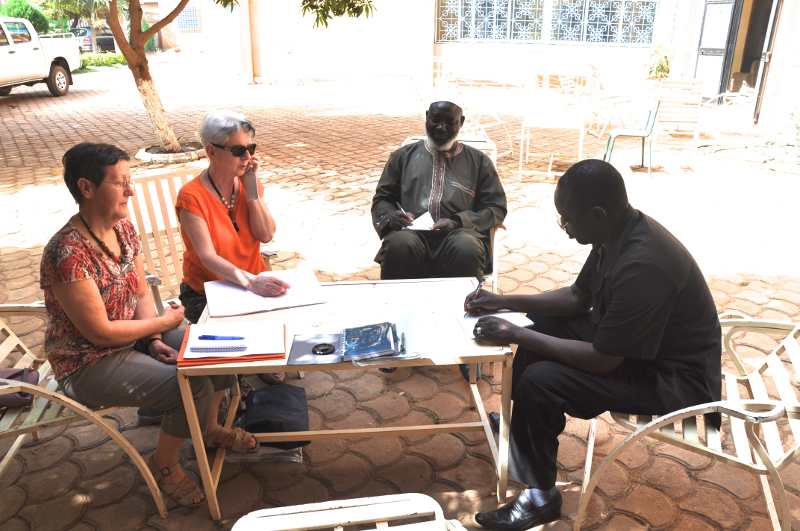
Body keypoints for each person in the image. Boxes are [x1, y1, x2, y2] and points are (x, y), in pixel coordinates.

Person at [465, 159, 721, 530]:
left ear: (598, 214)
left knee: (541, 378)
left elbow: (602, 362)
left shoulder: (643, 263)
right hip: (635, 349)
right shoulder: (615, 231)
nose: (564, 228)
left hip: (671, 379)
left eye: (567, 219)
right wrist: (505, 301)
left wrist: (516, 333)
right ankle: (521, 431)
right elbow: (575, 298)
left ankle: (541, 497)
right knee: (541, 327)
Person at [40, 143, 260, 509]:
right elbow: (99, 333)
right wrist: (162, 323)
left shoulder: (123, 229)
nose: (130, 190)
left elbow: (142, 292)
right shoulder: (66, 253)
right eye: (121, 182)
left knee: (220, 352)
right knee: (188, 388)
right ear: (87, 187)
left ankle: (208, 430)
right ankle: (165, 462)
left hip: (133, 337)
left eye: (131, 180)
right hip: (87, 361)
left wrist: (155, 337)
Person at [372, 98, 507, 379]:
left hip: (457, 235)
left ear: (461, 124)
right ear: (426, 118)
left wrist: (459, 221)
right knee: (397, 245)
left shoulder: (479, 162)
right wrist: (391, 218)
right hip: (414, 236)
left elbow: (496, 208)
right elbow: (382, 200)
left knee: (467, 248)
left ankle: (466, 344)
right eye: (436, 120)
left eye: (450, 122)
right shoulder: (403, 156)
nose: (441, 127)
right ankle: (396, 340)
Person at [176, 110, 287, 386]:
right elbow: (207, 257)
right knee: (229, 365)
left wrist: (251, 190)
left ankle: (254, 360)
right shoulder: (192, 197)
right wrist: (251, 283)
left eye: (251, 148)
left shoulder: (249, 183)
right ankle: (234, 375)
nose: (247, 157)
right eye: (238, 150)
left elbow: (266, 234)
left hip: (251, 283)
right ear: (211, 151)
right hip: (208, 290)